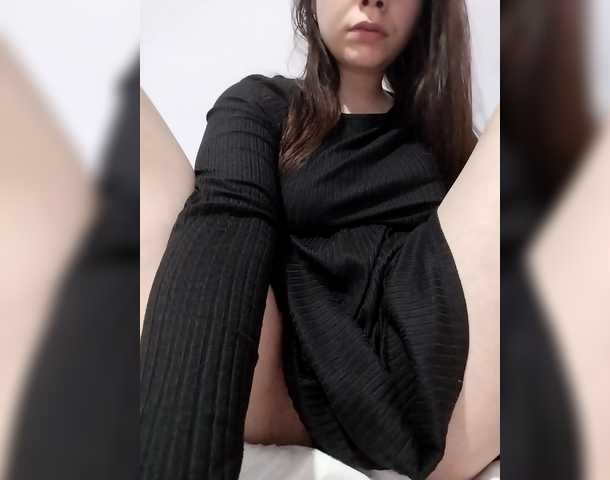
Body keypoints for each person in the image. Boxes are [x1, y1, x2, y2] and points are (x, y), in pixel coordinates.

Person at [140, 1, 499, 479]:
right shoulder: (261, 104)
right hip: (286, 377)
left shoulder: (442, 137)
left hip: (431, 376)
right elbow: (225, 229)